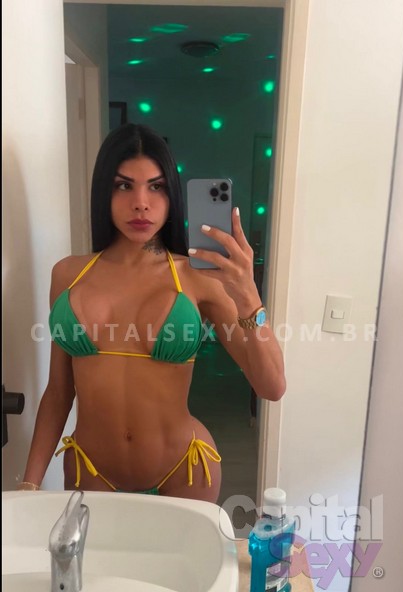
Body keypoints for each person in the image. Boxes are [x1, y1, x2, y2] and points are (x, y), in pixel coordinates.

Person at [18, 123, 286, 503]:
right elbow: (59, 392)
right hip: (91, 473)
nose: (141, 203)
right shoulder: (67, 274)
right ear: (104, 192)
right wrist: (28, 486)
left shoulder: (198, 277)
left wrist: (249, 298)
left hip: (184, 473)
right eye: (124, 185)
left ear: (172, 195)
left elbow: (272, 386)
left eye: (156, 187)